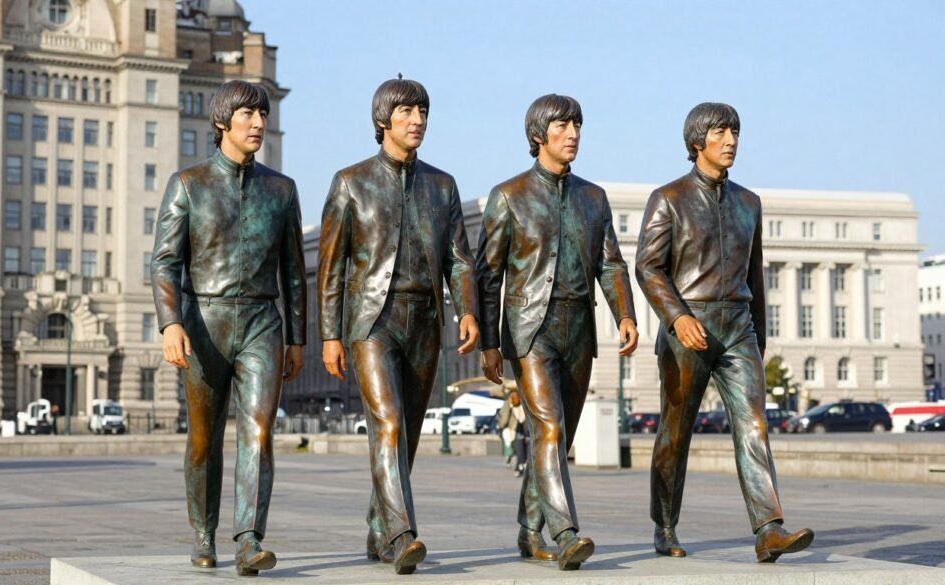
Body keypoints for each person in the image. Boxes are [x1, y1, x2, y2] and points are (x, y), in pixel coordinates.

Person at [636, 102, 814, 563]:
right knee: (676, 433)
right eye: (721, 132)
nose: (731, 140)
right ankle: (665, 524)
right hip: (687, 327)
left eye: (735, 131)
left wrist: (759, 336)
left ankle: (769, 528)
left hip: (738, 328)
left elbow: (754, 277)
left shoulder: (749, 202)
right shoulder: (668, 198)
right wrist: (677, 317)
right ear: (698, 142)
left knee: (754, 422)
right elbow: (648, 268)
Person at [317, 77, 480, 575]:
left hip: (425, 322)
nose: (418, 121)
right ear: (383, 120)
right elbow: (332, 266)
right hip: (372, 321)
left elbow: (459, 260)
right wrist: (330, 333)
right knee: (386, 421)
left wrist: (467, 308)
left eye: (423, 112)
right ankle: (402, 533)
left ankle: (378, 525)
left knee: (404, 433)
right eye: (408, 112)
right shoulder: (351, 182)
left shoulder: (442, 185)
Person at [151, 80, 307, 576]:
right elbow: (164, 262)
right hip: (203, 323)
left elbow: (293, 271)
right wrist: (169, 324)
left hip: (263, 321)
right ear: (223, 123)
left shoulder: (281, 190)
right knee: (203, 439)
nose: (259, 124)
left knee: (258, 432)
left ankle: (248, 538)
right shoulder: (188, 184)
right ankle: (203, 531)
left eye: (263, 115)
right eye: (248, 116)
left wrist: (297, 337)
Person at [477, 94, 638, 571]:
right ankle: (565, 533)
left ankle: (529, 531)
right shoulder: (508, 196)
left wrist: (624, 314)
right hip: (530, 330)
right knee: (547, 427)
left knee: (558, 437)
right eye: (564, 126)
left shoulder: (594, 198)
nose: (573, 134)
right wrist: (489, 343)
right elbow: (488, 276)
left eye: (577, 126)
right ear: (538, 136)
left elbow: (610, 262)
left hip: (578, 328)